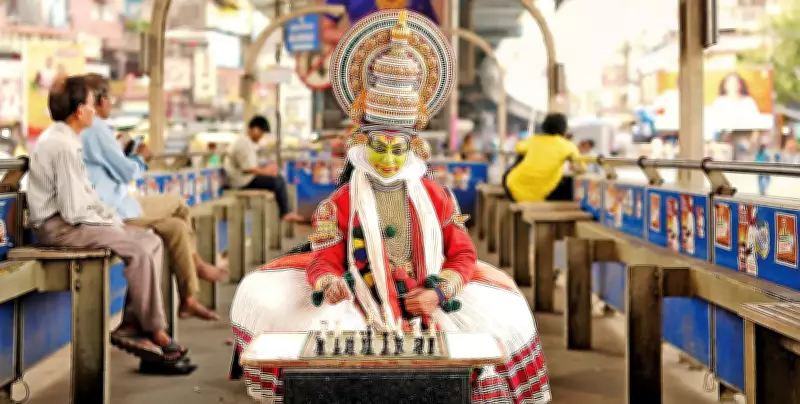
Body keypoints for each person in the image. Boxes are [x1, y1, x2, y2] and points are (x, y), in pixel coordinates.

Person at [229, 10, 551, 403]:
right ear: (362, 146)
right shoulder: (341, 202)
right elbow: (325, 259)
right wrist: (329, 283)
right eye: (378, 148)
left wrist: (441, 290)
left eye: (397, 150)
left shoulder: (436, 196)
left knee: (507, 319)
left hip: (429, 302)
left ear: (412, 148)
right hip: (360, 306)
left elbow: (463, 254)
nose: (387, 159)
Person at [27, 75, 195, 373]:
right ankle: (155, 329)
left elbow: (86, 198)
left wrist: (112, 221)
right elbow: (74, 210)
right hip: (61, 228)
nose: (95, 110)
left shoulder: (68, 139)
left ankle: (132, 322)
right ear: (80, 110)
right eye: (92, 105)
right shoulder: (62, 146)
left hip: (76, 222)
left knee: (150, 240)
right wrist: (113, 226)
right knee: (138, 248)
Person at [81, 73, 225, 321]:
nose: (111, 104)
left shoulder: (84, 130)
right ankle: (197, 262)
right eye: (110, 99)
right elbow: (127, 172)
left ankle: (189, 297)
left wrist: (124, 152)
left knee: (177, 228)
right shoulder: (95, 128)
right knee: (178, 203)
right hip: (114, 208)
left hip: (113, 206)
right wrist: (140, 157)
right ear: (100, 99)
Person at [224, 115, 303, 222]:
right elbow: (248, 169)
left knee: (278, 178)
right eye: (262, 132)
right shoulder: (242, 143)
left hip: (246, 178)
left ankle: (286, 211)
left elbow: (253, 165)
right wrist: (267, 172)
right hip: (241, 181)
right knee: (277, 181)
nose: (262, 136)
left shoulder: (248, 143)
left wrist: (268, 168)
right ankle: (285, 213)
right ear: (255, 129)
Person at [503, 113, 584, 202]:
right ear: (564, 129)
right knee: (567, 183)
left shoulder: (534, 140)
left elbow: (518, 147)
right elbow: (582, 169)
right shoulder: (568, 146)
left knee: (521, 156)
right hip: (538, 195)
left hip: (512, 188)